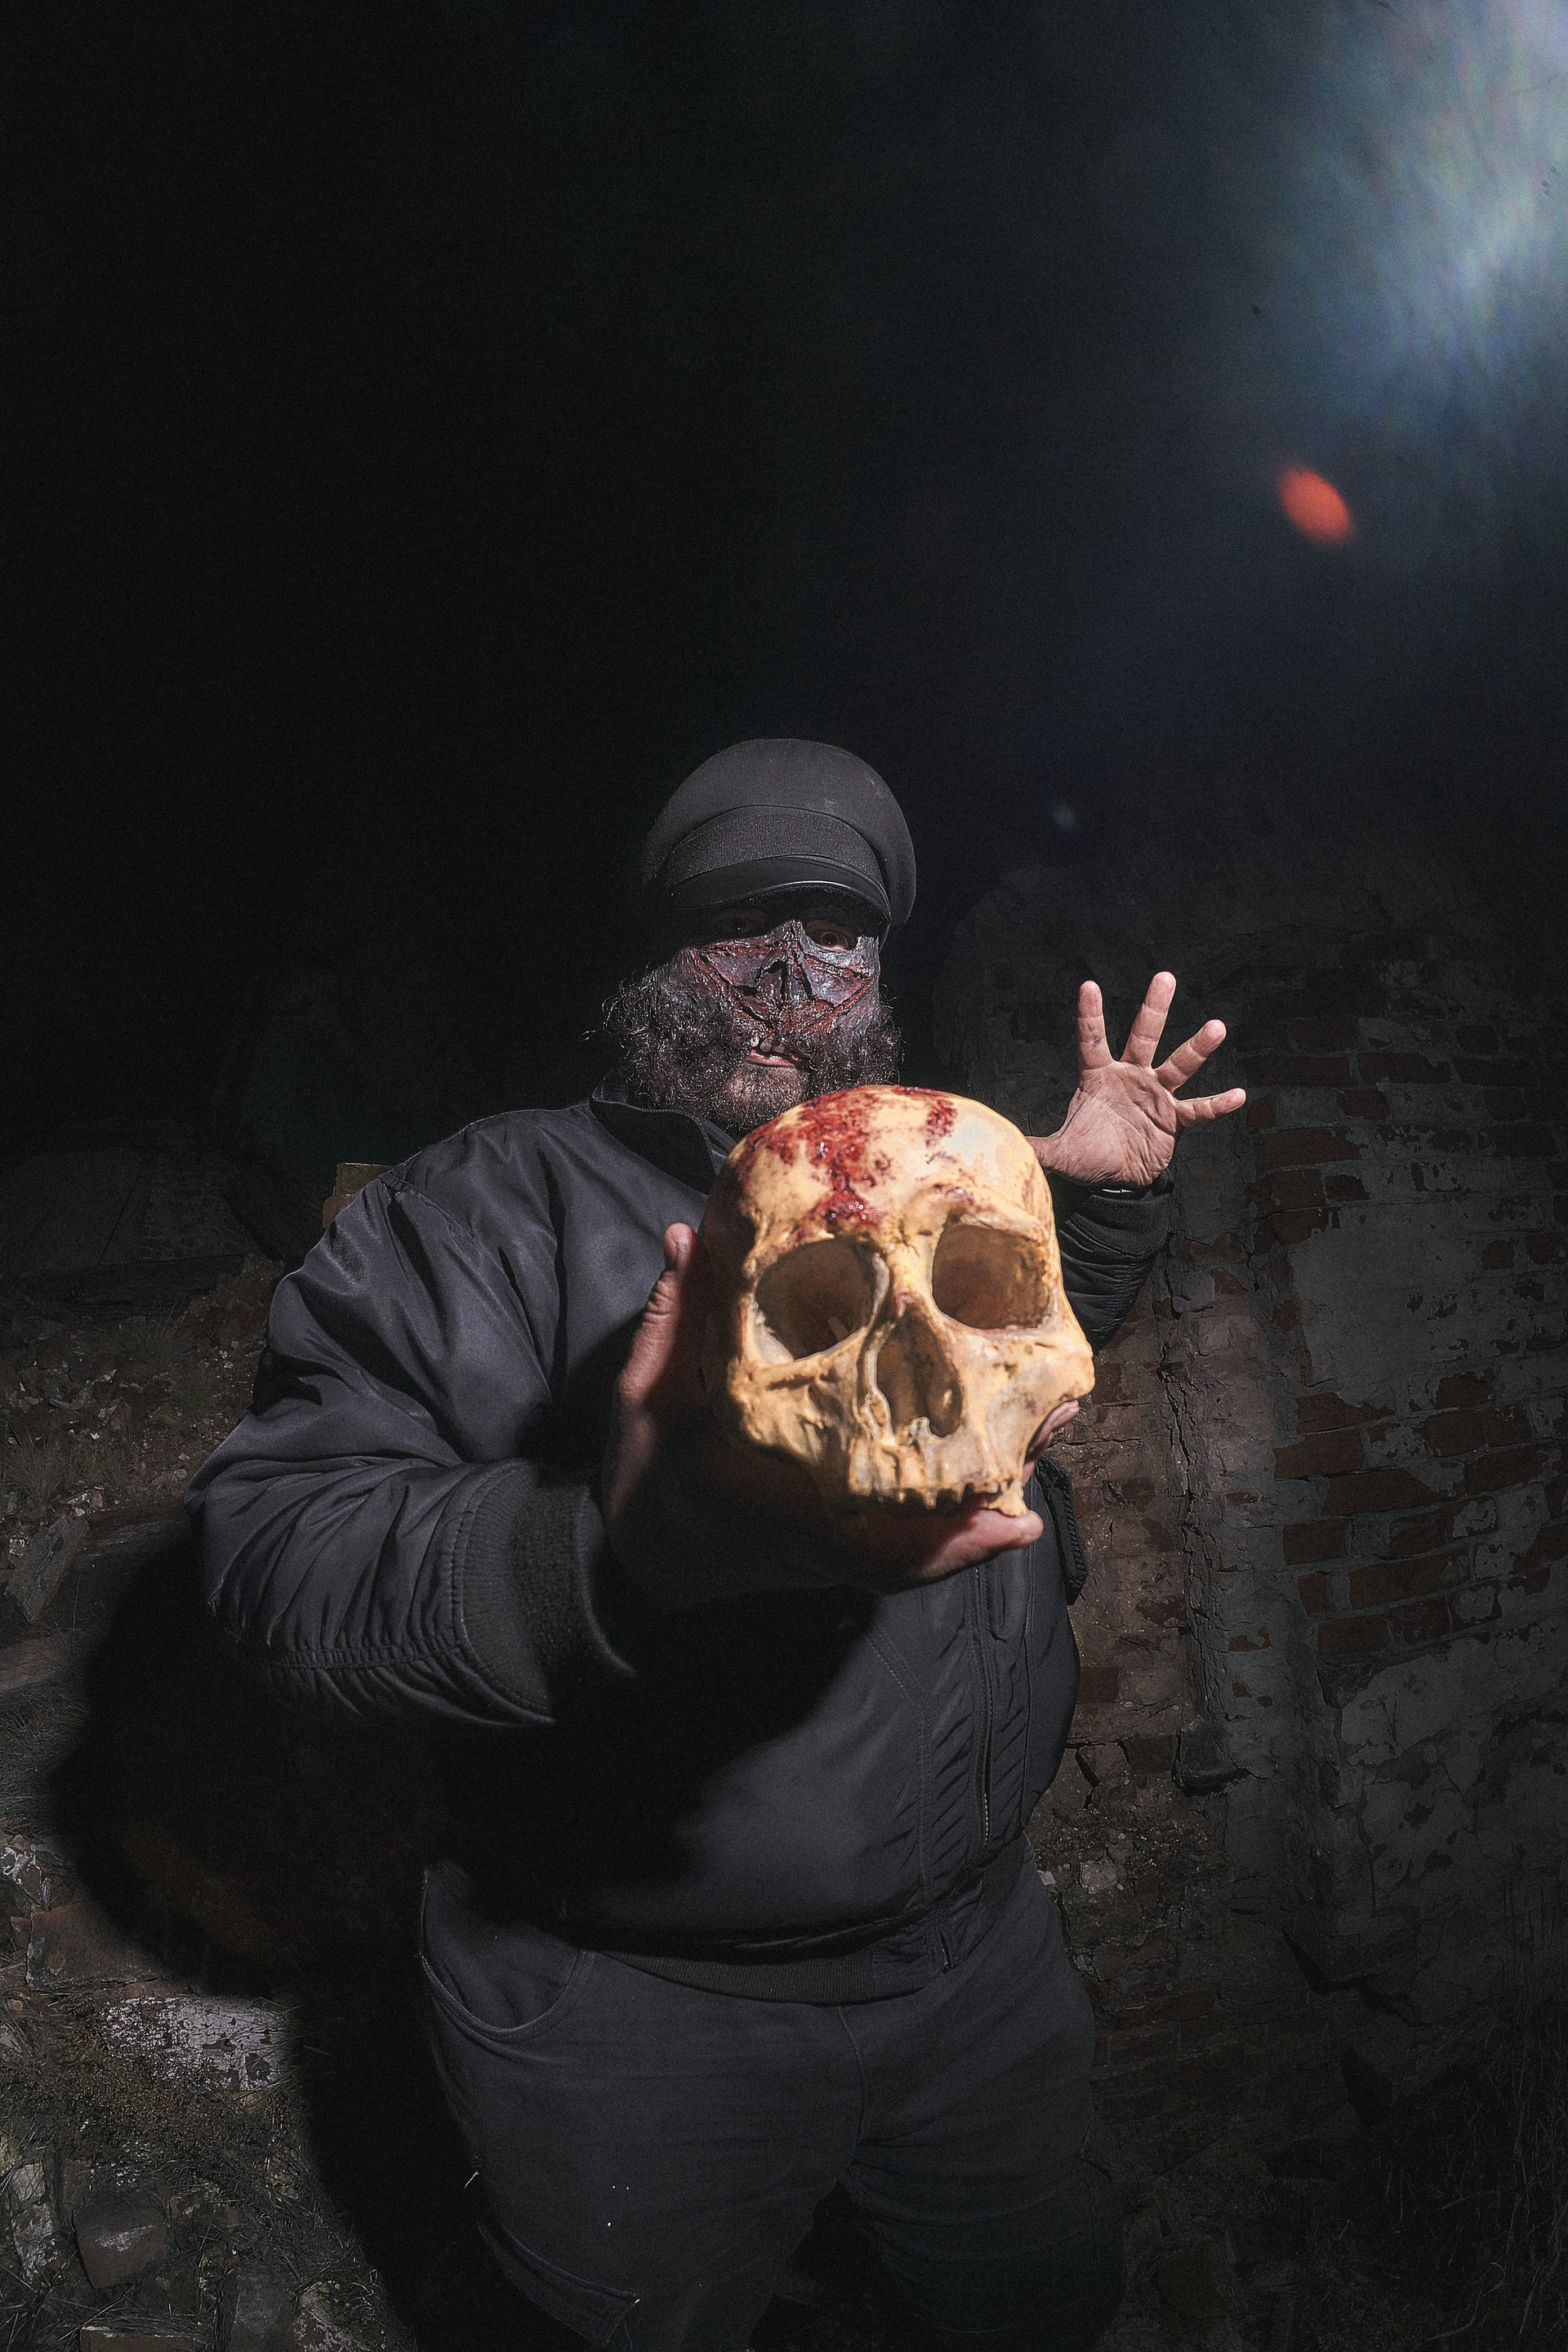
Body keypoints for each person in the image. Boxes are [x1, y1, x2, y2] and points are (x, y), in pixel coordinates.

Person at [189, 739, 1245, 2352]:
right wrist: (604, 1557)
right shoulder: (478, 1212)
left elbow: (1000, 1373)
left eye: (837, 936)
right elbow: (278, 1567)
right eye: (739, 927)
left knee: (1040, 2303)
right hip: (636, 2014)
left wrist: (1088, 1208)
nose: (789, 979)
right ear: (651, 959)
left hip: (977, 1964)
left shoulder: (924, 1167)